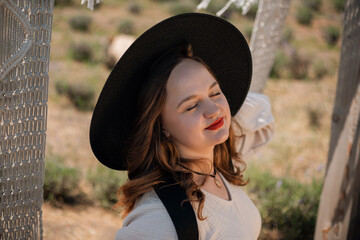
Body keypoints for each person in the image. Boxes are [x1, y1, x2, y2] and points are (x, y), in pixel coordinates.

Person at [89, 13, 274, 240]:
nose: (213, 109)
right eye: (191, 106)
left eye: (215, 92)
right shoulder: (160, 219)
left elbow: (261, 110)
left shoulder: (219, 162)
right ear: (161, 126)